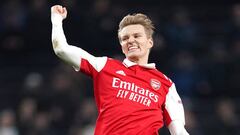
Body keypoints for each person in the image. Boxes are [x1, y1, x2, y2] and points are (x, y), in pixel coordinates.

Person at [51, 5, 189, 135]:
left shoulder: (166, 84)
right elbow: (61, 49)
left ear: (150, 42)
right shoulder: (104, 66)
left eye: (137, 36)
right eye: (125, 38)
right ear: (122, 46)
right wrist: (56, 20)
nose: (130, 41)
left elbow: (179, 131)